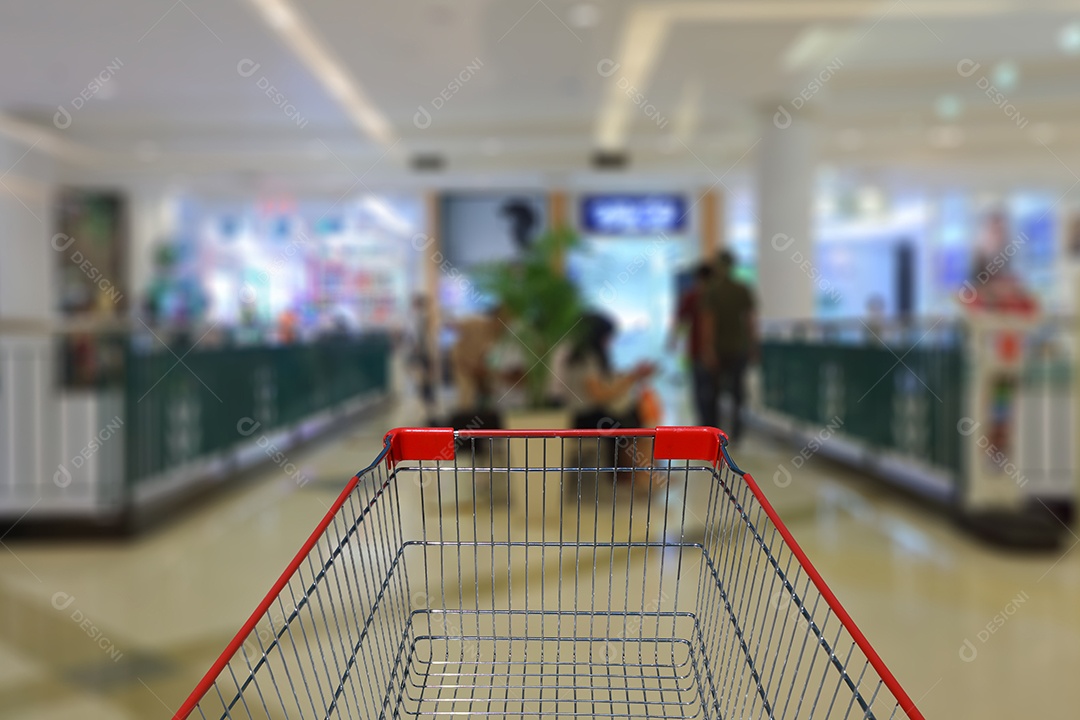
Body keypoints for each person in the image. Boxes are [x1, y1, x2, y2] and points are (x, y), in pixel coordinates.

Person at [563, 312, 656, 491]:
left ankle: (637, 475)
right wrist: (632, 378)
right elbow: (600, 395)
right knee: (632, 424)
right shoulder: (586, 358)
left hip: (588, 415)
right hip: (585, 418)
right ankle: (639, 476)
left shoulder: (579, 356)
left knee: (631, 416)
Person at [700, 250, 757, 444]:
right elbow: (750, 321)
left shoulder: (712, 290)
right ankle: (737, 432)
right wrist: (752, 345)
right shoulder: (742, 289)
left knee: (714, 393)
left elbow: (709, 322)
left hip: (719, 349)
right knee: (737, 393)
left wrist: (708, 349)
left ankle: (716, 434)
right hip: (738, 347)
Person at [670, 263, 716, 427]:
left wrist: (673, 340)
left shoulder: (692, 295)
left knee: (701, 391)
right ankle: (714, 427)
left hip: (698, 351)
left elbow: (680, 320)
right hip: (719, 353)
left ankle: (705, 426)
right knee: (713, 392)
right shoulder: (716, 296)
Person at [448, 305, 508, 411]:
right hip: (466, 368)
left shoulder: (499, 339)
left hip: (485, 377)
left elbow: (487, 363)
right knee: (467, 401)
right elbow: (453, 326)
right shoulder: (477, 324)